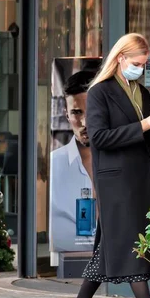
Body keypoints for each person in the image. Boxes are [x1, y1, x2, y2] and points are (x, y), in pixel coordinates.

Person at [63, 33, 150, 298]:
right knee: (130, 246)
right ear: (121, 58)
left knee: (109, 249)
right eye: (137, 63)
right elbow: (99, 138)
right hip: (115, 182)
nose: (141, 68)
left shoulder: (142, 92)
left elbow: (148, 144)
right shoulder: (100, 92)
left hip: (137, 179)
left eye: (145, 63)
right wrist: (142, 125)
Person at [49, 70, 97, 253]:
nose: (84, 122)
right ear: (66, 114)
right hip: (66, 266)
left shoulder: (123, 163)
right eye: (76, 112)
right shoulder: (53, 166)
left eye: (91, 111)